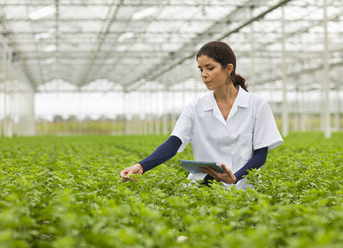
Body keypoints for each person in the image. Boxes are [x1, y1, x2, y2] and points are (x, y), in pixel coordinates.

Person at [120, 41, 283, 190]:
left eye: (210, 68)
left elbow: (261, 155)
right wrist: (141, 166)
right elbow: (173, 143)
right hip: (203, 188)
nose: (204, 74)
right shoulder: (195, 108)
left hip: (245, 187)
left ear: (228, 69)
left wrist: (234, 178)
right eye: (201, 69)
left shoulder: (257, 105)